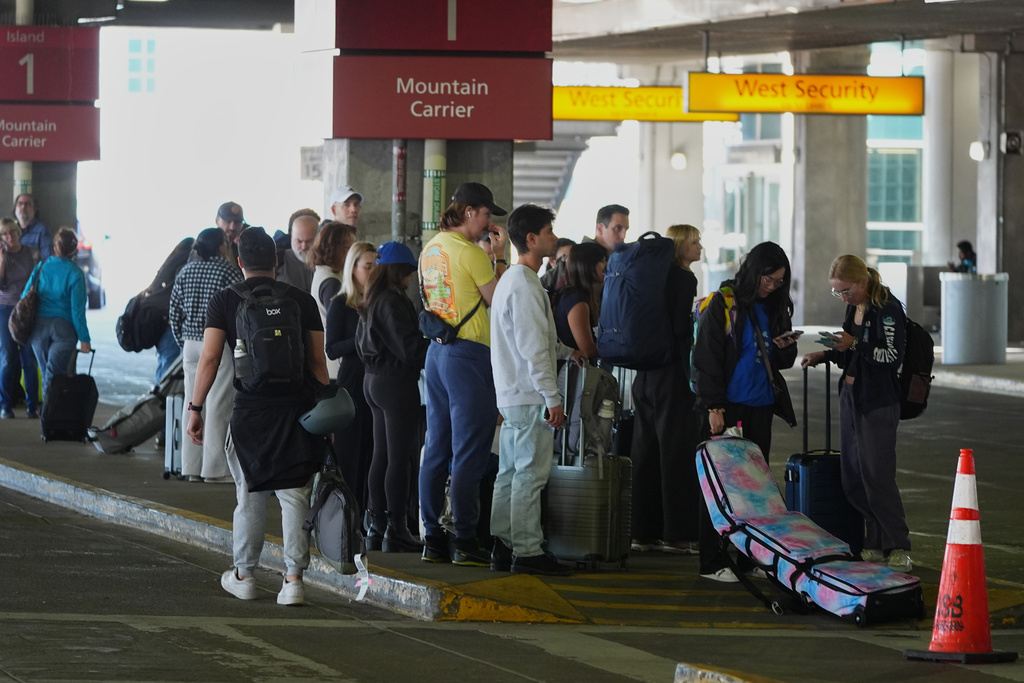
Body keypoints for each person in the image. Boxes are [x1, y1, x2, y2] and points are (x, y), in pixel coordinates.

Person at [187, 227, 329, 606]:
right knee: (294, 496)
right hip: (297, 412)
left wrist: (195, 407)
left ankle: (245, 575)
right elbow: (317, 363)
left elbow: (211, 360)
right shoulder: (302, 300)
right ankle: (294, 580)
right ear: (277, 260)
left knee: (250, 495)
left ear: (240, 263)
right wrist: (325, 414)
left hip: (250, 413)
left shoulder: (226, 301)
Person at [691, 241, 798, 582]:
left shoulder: (775, 307)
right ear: (753, 272)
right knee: (722, 487)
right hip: (728, 407)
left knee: (755, 489)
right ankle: (712, 561)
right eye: (768, 279)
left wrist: (786, 346)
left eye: (779, 282)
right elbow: (706, 358)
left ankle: (750, 557)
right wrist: (714, 407)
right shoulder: (724, 304)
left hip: (761, 406)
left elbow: (781, 361)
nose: (772, 286)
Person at [801, 254, 911, 572]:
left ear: (863, 282)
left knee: (878, 476)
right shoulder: (855, 307)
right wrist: (824, 353)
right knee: (853, 476)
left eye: (846, 290)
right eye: (838, 292)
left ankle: (898, 543)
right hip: (850, 395)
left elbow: (890, 356)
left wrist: (856, 343)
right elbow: (848, 348)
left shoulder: (887, 308)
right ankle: (875, 540)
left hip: (877, 401)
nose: (844, 297)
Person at [419, 181, 509, 566]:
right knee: (470, 450)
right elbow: (499, 302)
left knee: (436, 447)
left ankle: (433, 538)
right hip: (469, 357)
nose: (489, 223)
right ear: (469, 211)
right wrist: (500, 257)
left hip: (436, 354)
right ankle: (466, 539)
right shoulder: (471, 254)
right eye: (487, 214)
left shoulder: (430, 248)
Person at [489, 204, 581, 576]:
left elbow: (537, 340)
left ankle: (503, 543)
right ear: (531, 239)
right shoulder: (525, 286)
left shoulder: (512, 281)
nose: (554, 239)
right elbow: (532, 350)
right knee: (530, 474)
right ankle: (527, 551)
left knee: (509, 473)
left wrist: (566, 350)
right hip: (530, 397)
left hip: (512, 395)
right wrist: (553, 398)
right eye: (548, 232)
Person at [630, 224, 703, 555]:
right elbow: (678, 328)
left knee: (645, 449)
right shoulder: (684, 278)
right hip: (670, 372)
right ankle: (677, 532)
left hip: (644, 370)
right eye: (694, 242)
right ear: (680, 247)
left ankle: (642, 530)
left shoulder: (652, 274)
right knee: (675, 449)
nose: (700, 247)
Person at [355, 241, 428, 553]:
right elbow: (409, 348)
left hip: (373, 380)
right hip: (395, 382)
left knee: (382, 455)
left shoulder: (371, 298)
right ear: (399, 270)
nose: (410, 279)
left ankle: (376, 525)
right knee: (400, 458)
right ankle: (396, 528)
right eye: (409, 273)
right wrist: (438, 347)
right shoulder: (391, 300)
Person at [169, 228, 243, 483]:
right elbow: (237, 308)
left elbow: (174, 310)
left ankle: (190, 467)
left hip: (190, 345)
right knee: (218, 404)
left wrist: (183, 340)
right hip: (217, 344)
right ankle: (215, 470)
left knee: (192, 401)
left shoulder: (185, 271)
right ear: (222, 246)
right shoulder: (228, 270)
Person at [324, 241, 376, 522]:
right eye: (368, 266)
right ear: (353, 269)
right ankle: (345, 516)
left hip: (379, 381)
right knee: (350, 452)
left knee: (374, 450)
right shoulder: (341, 304)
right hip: (353, 383)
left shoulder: (380, 301)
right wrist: (362, 340)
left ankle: (369, 515)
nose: (373, 271)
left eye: (375, 266)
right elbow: (331, 348)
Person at [25, 227, 91, 398]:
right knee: (54, 376)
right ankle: (50, 419)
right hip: (64, 330)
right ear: (75, 250)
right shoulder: (76, 273)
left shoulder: (41, 268)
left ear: (55, 249)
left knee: (47, 372)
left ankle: (48, 418)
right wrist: (85, 339)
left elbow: (24, 296)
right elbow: (77, 311)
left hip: (38, 329)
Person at [0, 218, 40, 419]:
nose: (10, 237)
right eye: (5, 234)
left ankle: (32, 406)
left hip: (24, 309)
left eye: (12, 232)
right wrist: (1, 258)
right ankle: (5, 405)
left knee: (29, 359)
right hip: (5, 308)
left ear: (18, 232)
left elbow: (33, 278)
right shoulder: (2, 254)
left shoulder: (26, 252)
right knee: (7, 358)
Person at [310, 221, 357, 381]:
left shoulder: (326, 274)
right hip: (336, 368)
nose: (353, 255)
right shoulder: (331, 281)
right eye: (348, 248)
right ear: (335, 249)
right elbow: (342, 325)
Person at [150, 237, 196, 385]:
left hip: (161, 324)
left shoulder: (169, 264)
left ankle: (160, 403)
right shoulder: (187, 262)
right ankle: (166, 405)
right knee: (173, 371)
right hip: (171, 326)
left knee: (164, 368)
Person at [553, 242, 607, 360]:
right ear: (588, 264)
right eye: (602, 260)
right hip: (572, 374)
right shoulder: (575, 300)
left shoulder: (579, 296)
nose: (606, 265)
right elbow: (587, 350)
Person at [276, 209, 319, 291]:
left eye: (309, 241)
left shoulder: (329, 262)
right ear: (292, 236)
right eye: (299, 241)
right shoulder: (279, 261)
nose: (303, 246)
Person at [13, 193, 51, 262]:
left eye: (28, 204)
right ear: (15, 208)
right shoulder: (9, 230)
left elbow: (48, 260)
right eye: (20, 203)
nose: (23, 206)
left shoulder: (42, 231)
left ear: (35, 209)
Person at [215, 201, 246, 272]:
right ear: (217, 221)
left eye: (237, 222)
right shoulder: (203, 248)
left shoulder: (239, 250)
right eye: (228, 221)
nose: (232, 227)